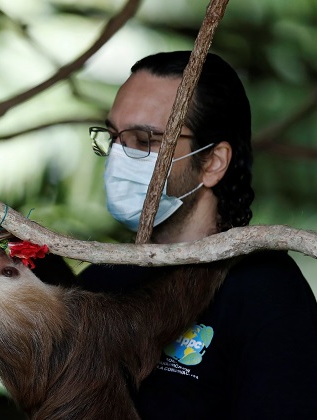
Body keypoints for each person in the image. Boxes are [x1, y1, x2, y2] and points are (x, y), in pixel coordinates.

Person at [79, 51, 317, 418]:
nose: (118, 157)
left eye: (145, 140)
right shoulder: (101, 281)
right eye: (113, 136)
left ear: (212, 163)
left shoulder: (266, 292)